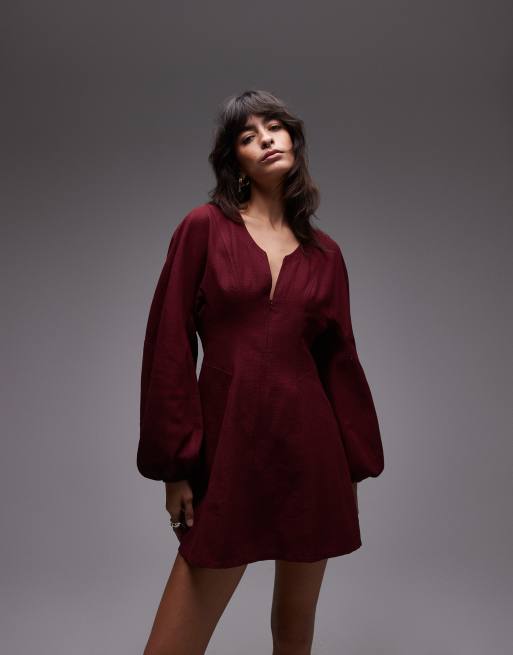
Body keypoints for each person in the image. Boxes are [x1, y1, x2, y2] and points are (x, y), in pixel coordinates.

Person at [137, 89, 385, 655]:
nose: (266, 139)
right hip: (229, 452)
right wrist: (175, 467)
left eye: (274, 127)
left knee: (294, 634)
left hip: (312, 457)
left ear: (293, 139)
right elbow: (169, 345)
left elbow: (340, 363)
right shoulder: (203, 228)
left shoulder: (326, 255)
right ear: (236, 161)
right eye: (249, 136)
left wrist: (351, 470)